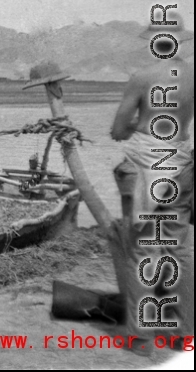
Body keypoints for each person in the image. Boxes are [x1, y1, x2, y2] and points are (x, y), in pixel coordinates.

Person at [110, 27, 194, 352]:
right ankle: (186, 335)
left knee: (139, 251)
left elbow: (118, 129)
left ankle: (140, 338)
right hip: (181, 164)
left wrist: (135, 127)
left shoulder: (142, 77)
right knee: (180, 250)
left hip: (145, 165)